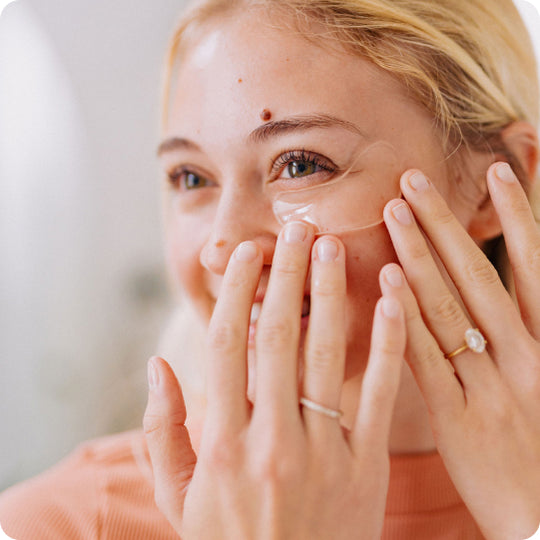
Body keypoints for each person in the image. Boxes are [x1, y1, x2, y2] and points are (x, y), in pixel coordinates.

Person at [1, 0, 540, 538]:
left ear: (494, 182)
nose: (222, 246)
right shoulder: (55, 524)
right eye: (191, 177)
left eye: (300, 164)